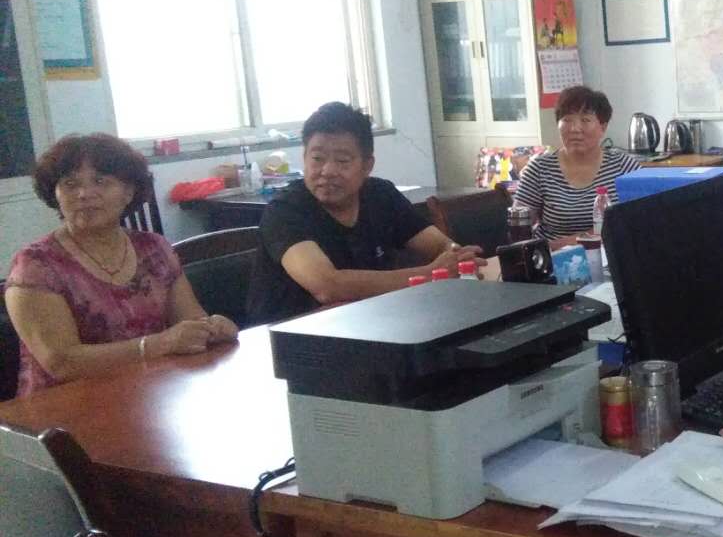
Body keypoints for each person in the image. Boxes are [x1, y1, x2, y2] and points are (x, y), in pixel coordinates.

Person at [5, 133, 238, 397]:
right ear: (55, 194)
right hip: (64, 406)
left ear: (128, 192)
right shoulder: (36, 266)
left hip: (152, 394)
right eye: (70, 184)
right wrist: (158, 345)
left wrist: (213, 329)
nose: (84, 194)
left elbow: (191, 320)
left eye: (100, 181)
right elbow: (62, 362)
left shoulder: (154, 249)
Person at [246, 102, 484, 325]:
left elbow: (440, 245)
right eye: (317, 159)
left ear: (367, 166)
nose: (327, 171)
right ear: (304, 158)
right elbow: (327, 286)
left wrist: (456, 256)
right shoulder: (285, 211)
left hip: (366, 322)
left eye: (342, 161)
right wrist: (430, 274)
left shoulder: (380, 195)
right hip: (289, 336)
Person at [512, 86, 640, 240]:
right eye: (567, 120)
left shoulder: (624, 166)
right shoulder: (539, 169)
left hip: (610, 252)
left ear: (603, 127)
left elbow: (640, 219)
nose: (575, 128)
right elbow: (519, 231)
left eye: (585, 120)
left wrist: (576, 242)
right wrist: (552, 249)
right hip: (553, 253)